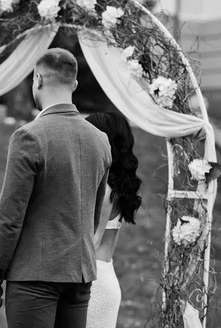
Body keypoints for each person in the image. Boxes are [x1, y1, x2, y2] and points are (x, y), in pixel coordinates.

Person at [0, 48, 112, 328]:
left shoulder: (29, 136)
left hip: (34, 277)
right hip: (79, 276)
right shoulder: (100, 140)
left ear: (37, 79)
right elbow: (93, 211)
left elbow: (9, 216)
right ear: (74, 84)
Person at [85, 112, 142, 328]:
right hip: (106, 275)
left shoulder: (104, 189)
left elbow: (92, 243)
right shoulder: (116, 188)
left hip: (92, 284)